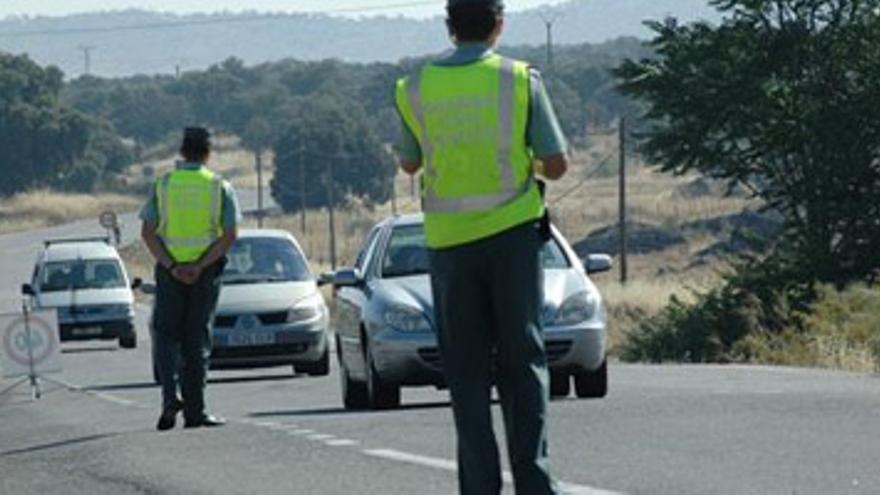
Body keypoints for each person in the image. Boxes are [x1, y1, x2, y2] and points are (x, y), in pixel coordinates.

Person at [394, 1, 570, 493]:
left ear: (450, 28)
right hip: (513, 238)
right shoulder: (519, 79)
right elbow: (555, 164)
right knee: (523, 362)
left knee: (466, 373)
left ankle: (479, 487)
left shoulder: (414, 88)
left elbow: (409, 164)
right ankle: (534, 484)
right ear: (498, 25)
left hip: (449, 244)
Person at [140, 127, 240, 431]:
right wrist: (199, 266)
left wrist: (172, 266)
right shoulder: (219, 186)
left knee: (166, 336)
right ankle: (196, 411)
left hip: (170, 272)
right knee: (197, 339)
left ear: (182, 152)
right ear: (208, 153)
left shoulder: (164, 184)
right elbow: (229, 235)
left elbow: (148, 232)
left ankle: (171, 397)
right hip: (205, 272)